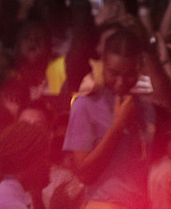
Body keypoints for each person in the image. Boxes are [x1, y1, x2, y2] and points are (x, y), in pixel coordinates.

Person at [62, 28, 157, 209]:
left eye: (130, 74)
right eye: (114, 73)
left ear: (140, 68)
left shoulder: (147, 109)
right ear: (103, 65)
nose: (121, 82)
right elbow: (84, 174)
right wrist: (118, 126)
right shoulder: (85, 105)